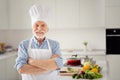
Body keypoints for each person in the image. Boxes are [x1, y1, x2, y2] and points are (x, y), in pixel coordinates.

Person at [14, 2, 63, 80]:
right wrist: (49, 66)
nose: (39, 28)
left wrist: (31, 62)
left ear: (47, 29)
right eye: (36, 25)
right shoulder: (24, 44)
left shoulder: (54, 44)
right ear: (32, 27)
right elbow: (21, 69)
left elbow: (59, 64)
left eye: (43, 25)